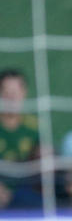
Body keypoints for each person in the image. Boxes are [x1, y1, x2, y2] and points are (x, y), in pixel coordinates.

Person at [0, 69, 42, 207]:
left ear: (24, 93)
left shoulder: (34, 126)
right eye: (6, 93)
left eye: (15, 93)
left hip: (26, 190)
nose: (11, 98)